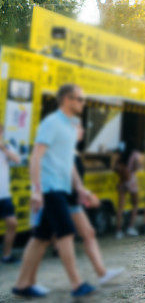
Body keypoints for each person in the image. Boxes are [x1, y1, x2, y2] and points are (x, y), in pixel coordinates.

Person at [12, 84, 96, 298]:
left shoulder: (70, 126)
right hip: (50, 188)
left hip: (62, 186)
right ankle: (77, 284)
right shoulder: (51, 123)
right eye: (79, 99)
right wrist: (37, 190)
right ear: (67, 99)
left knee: (41, 236)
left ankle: (22, 284)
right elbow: (36, 157)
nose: (82, 103)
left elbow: (68, 162)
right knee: (66, 232)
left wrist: (79, 187)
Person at [66, 134, 125, 287]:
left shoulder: (72, 151)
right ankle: (78, 283)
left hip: (71, 201)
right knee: (53, 240)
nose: (82, 130)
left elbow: (75, 177)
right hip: (61, 199)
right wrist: (84, 192)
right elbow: (68, 176)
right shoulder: (64, 150)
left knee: (88, 233)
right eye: (77, 127)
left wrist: (83, 193)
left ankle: (101, 273)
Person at [0, 123, 21, 263]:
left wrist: (3, 148)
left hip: (4, 195)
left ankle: (6, 256)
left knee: (12, 223)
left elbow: (17, 160)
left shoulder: (6, 148)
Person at [114, 148, 142, 238]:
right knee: (135, 204)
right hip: (131, 180)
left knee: (120, 207)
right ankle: (130, 228)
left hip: (121, 181)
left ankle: (118, 231)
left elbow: (115, 168)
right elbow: (137, 167)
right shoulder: (135, 153)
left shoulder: (120, 157)